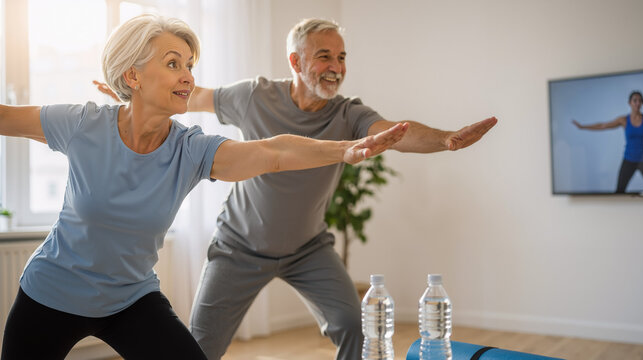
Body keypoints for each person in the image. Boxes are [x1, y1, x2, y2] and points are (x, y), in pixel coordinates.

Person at [0, 15, 408, 360]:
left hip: (129, 299)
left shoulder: (191, 149)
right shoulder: (83, 124)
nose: (188, 76)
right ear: (133, 75)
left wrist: (346, 149)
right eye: (174, 63)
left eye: (190, 65)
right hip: (50, 295)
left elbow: (274, 153)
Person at [97, 18, 497, 360]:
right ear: (296, 61)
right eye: (324, 56)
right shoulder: (254, 96)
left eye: (341, 58)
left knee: (353, 328)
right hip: (238, 247)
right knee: (200, 348)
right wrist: (138, 96)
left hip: (308, 249)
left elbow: (393, 134)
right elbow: (195, 96)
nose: (335, 67)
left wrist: (445, 139)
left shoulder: (348, 113)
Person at [573, 91, 643, 193]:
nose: (637, 103)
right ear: (629, 103)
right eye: (635, 100)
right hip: (628, 160)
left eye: (640, 101)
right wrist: (583, 127)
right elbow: (603, 126)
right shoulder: (624, 120)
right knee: (619, 191)